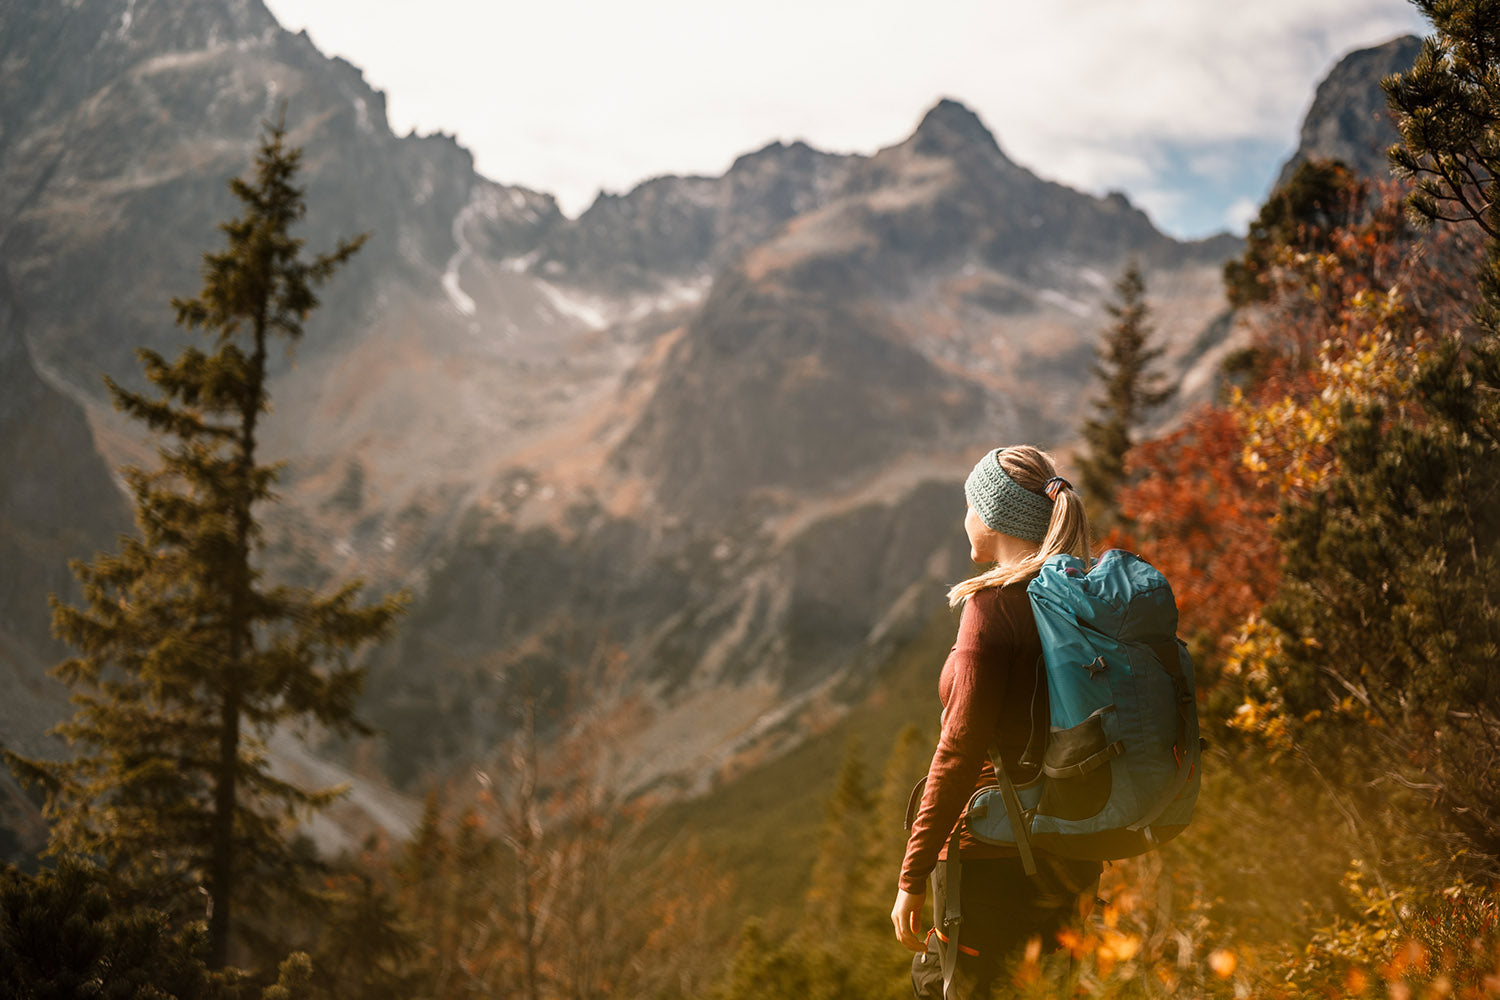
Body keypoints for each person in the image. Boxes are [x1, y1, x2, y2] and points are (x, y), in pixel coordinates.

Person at [891, 444, 1102, 999]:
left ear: (993, 514)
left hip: (992, 859)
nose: (964, 517)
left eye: (969, 504)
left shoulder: (993, 608)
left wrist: (912, 875)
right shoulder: (1080, 597)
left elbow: (959, 750)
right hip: (1074, 846)